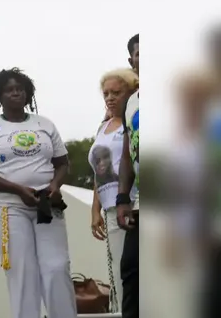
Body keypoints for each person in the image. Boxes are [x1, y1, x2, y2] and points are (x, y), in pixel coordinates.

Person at [0, 68, 76, 318]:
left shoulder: (45, 124)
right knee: (22, 272)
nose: (16, 92)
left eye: (20, 88)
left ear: (28, 93)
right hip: (9, 208)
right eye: (9, 89)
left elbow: (63, 163)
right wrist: (17, 189)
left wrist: (55, 186)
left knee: (57, 267)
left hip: (46, 205)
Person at [88, 68, 139, 310]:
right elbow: (99, 172)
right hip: (109, 208)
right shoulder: (103, 127)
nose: (109, 98)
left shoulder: (133, 122)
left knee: (133, 274)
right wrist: (94, 210)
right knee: (119, 273)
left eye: (116, 92)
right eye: (106, 93)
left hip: (132, 203)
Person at [116, 34, 139, 318]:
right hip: (142, 202)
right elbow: (126, 153)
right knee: (132, 272)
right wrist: (122, 197)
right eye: (139, 52)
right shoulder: (131, 102)